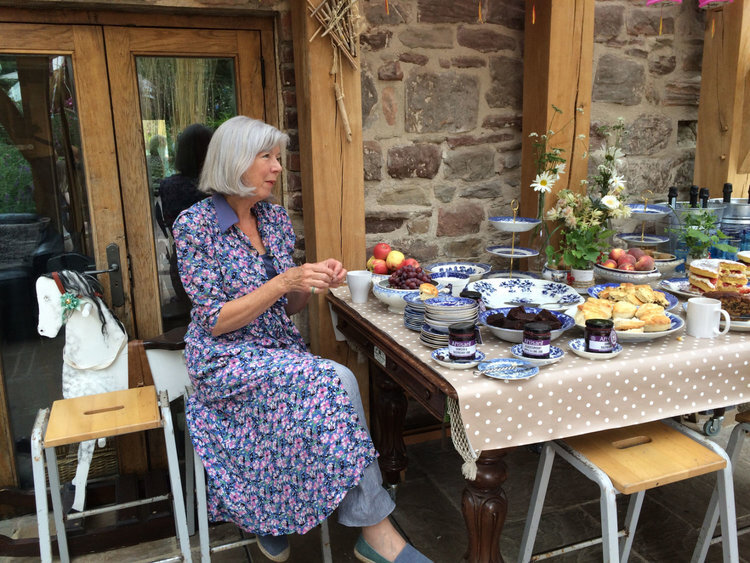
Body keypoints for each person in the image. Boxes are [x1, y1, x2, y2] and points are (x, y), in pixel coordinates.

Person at [172, 116, 431, 563]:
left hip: (275, 347)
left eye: (278, 157)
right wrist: (283, 281)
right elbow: (213, 320)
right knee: (336, 381)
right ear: (235, 161)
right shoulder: (194, 226)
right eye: (266, 157)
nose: (277, 168)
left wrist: (307, 285)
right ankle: (376, 535)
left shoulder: (271, 218)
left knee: (334, 383)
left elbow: (286, 307)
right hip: (224, 357)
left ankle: (275, 515)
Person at [157, 124, 213, 309]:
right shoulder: (216, 188)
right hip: (217, 264)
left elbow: (167, 223)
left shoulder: (168, 186)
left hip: (181, 261)